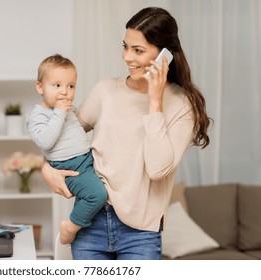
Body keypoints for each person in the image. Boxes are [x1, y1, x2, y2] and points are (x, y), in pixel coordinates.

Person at [41, 7, 211, 260]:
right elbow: (61, 137)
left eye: (138, 50)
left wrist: (155, 104)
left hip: (141, 233)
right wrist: (46, 168)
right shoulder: (105, 91)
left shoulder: (182, 105)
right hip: (90, 224)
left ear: (165, 54)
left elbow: (157, 169)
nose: (127, 57)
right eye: (125, 47)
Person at [28, 54, 108, 244]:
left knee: (91, 193)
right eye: (57, 85)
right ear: (40, 87)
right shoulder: (38, 115)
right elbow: (45, 142)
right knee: (98, 195)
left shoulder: (67, 108)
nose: (65, 92)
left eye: (70, 86)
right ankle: (70, 227)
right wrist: (59, 113)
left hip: (85, 159)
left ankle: (79, 222)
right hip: (69, 166)